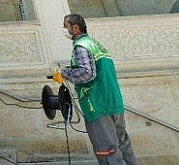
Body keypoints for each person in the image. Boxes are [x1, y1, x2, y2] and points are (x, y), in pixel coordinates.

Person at [55, 14, 137, 165]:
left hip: (97, 103)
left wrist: (64, 74)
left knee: (107, 149)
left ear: (75, 27)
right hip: (113, 101)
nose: (63, 29)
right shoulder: (95, 44)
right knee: (122, 143)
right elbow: (97, 69)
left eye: (65, 26)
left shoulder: (81, 46)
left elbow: (87, 73)